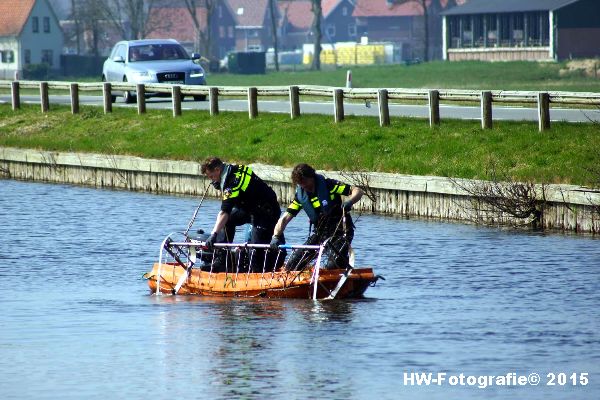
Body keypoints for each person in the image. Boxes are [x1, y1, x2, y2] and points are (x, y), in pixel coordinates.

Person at [270, 163, 363, 270]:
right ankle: (308, 280)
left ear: (311, 177)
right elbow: (285, 218)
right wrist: (276, 236)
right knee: (292, 265)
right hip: (320, 234)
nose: (303, 186)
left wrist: (350, 202)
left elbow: (358, 191)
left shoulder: (329, 185)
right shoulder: (301, 197)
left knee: (332, 265)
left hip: (341, 232)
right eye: (300, 184)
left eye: (304, 182)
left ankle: (343, 270)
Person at [201, 157, 282, 271]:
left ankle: (257, 272)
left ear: (218, 169)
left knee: (254, 250)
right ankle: (223, 259)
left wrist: (214, 234)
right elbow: (244, 192)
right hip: (251, 209)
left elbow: (224, 212)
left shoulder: (232, 184)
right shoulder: (236, 168)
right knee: (228, 221)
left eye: (212, 176)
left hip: (266, 213)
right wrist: (220, 185)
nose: (212, 180)